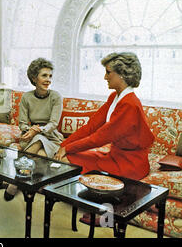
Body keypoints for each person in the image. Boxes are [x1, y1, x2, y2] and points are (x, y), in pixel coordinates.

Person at [55, 52, 154, 181]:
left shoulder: (129, 104)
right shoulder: (115, 97)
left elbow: (99, 138)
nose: (105, 77)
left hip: (129, 164)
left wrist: (67, 149)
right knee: (67, 156)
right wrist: (63, 145)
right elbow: (91, 127)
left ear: (122, 75)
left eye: (108, 72)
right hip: (115, 156)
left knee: (68, 158)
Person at [0, 58, 64, 201]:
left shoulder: (56, 97)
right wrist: (30, 130)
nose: (48, 80)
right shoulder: (26, 97)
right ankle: (27, 185)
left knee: (40, 140)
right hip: (31, 136)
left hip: (51, 136)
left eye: (50, 76)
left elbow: (53, 123)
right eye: (44, 75)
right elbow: (22, 123)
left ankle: (14, 181)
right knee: (39, 152)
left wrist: (38, 130)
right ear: (34, 78)